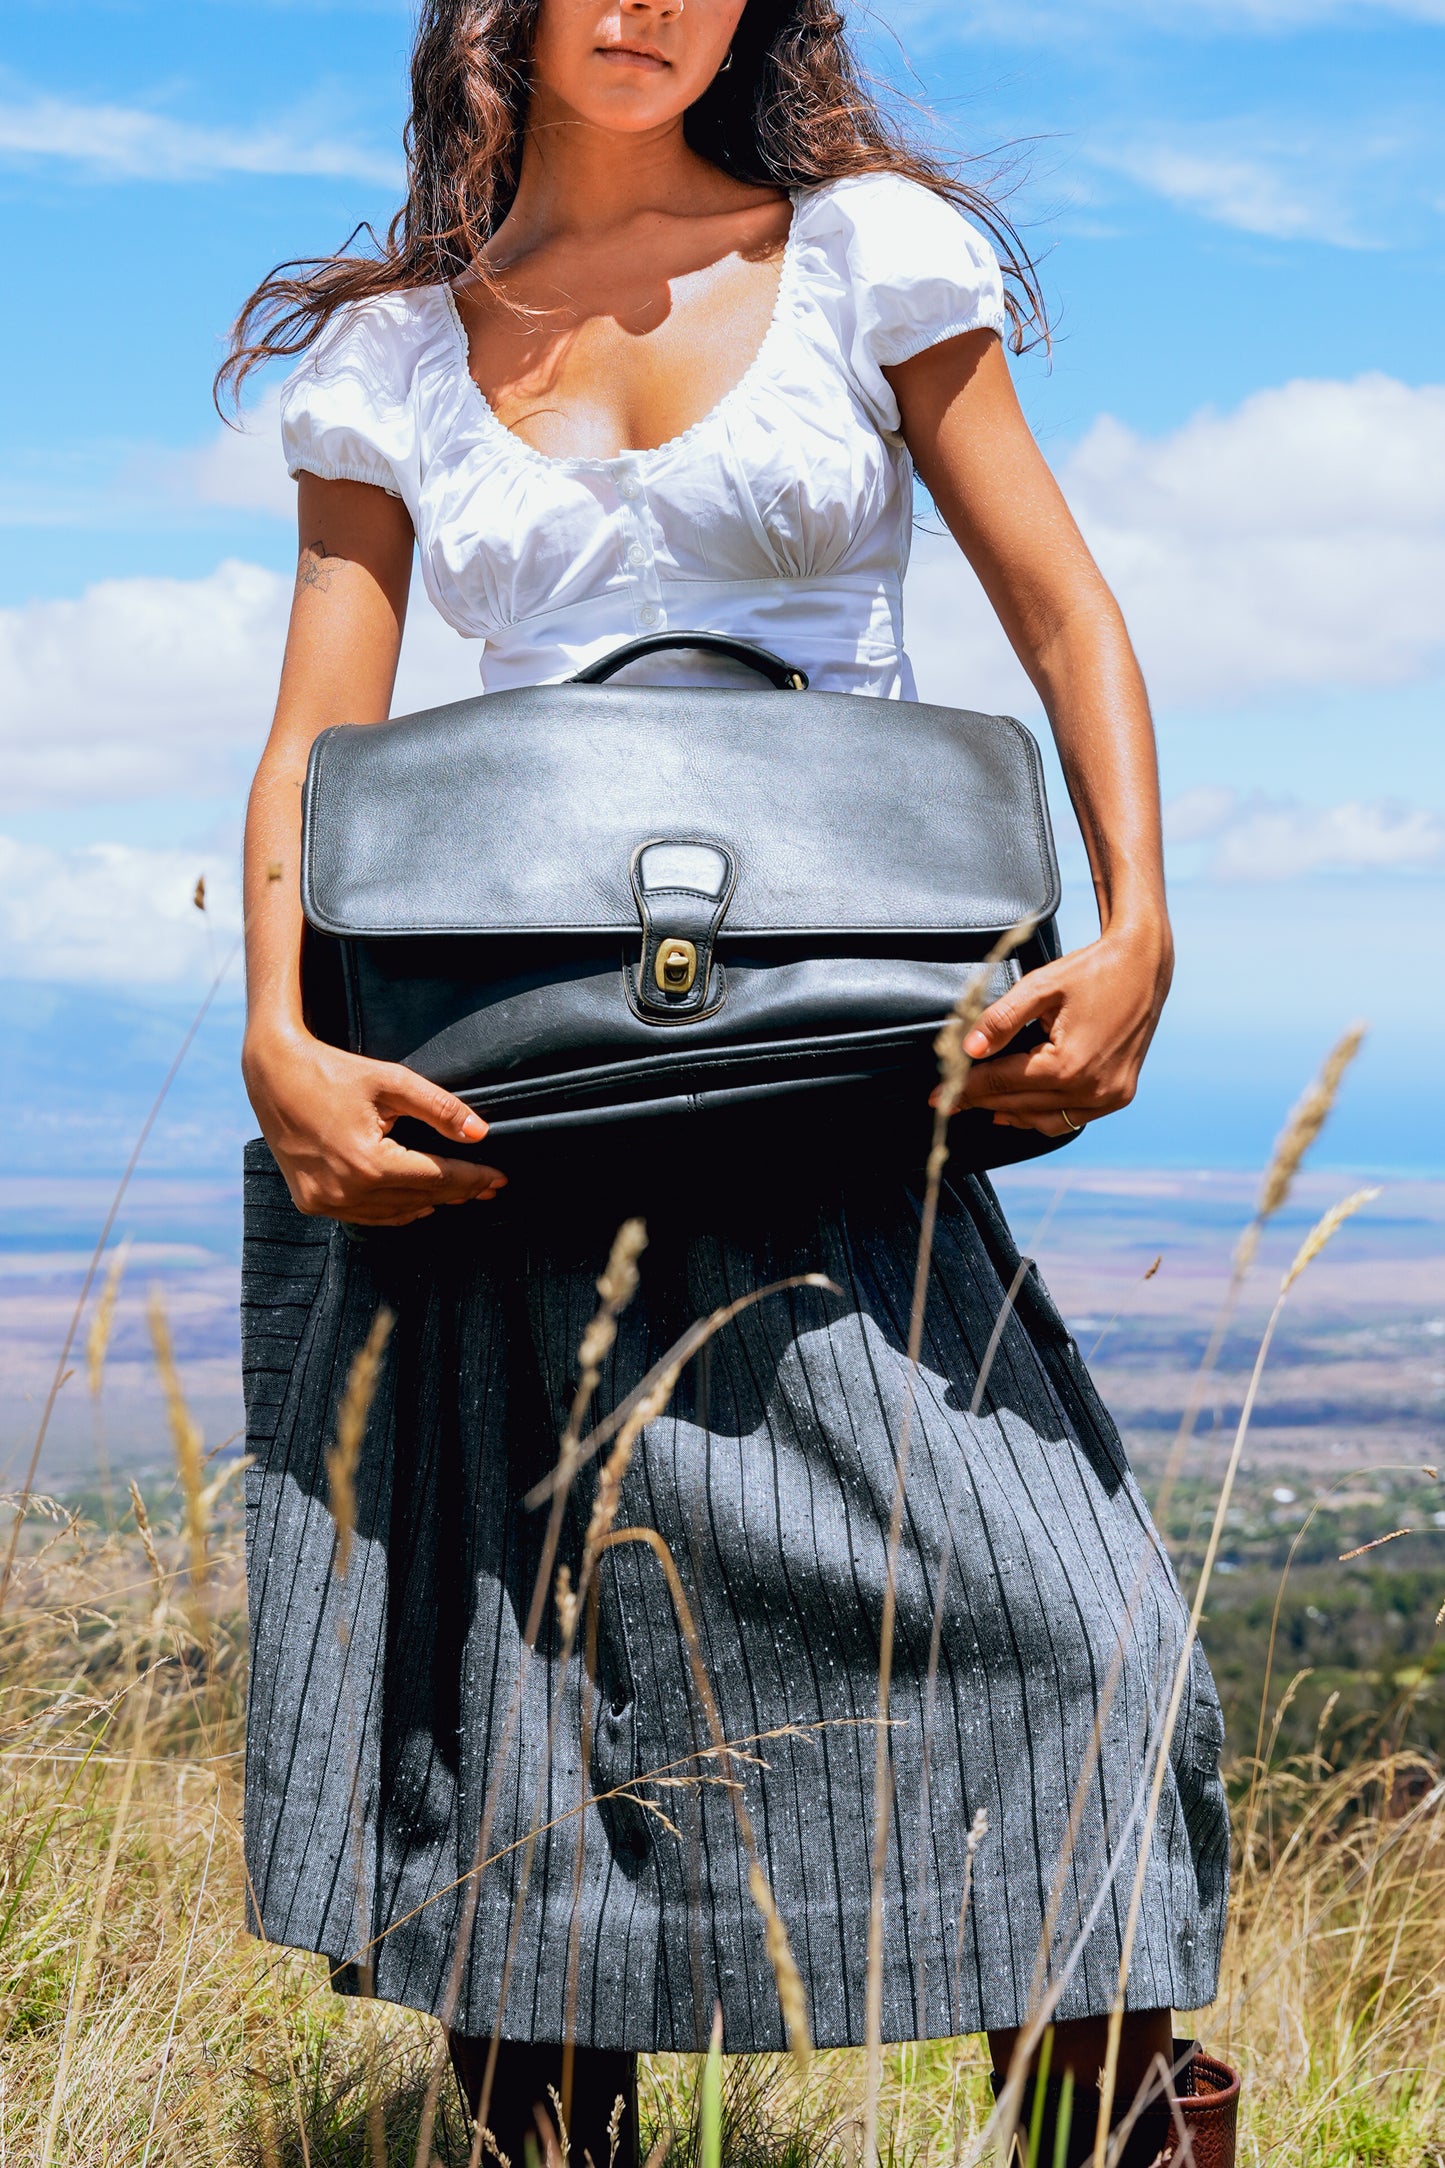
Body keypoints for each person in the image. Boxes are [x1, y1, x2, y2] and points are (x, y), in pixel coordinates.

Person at [225, 2, 1232, 2161]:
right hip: (511, 1115)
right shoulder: (398, 351)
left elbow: (1060, 606)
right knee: (541, 1738)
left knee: (1082, 1653)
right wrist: (280, 1035)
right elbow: (318, 726)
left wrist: (1139, 919)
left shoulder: (872, 250)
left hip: (849, 1081)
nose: (641, 6)